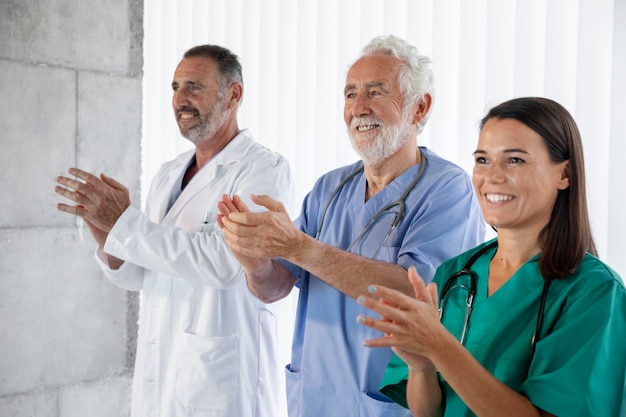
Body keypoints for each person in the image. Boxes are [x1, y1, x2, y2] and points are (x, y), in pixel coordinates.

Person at [216, 35, 486, 417]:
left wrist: (298, 247)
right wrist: (253, 262)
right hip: (314, 398)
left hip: (389, 402)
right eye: (349, 94)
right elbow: (274, 288)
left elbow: (422, 295)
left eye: (376, 92)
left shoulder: (447, 189)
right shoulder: (330, 187)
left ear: (419, 107)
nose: (358, 108)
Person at [54, 44, 294, 417]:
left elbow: (224, 263)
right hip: (162, 372)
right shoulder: (168, 173)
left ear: (234, 94)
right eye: (175, 87)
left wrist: (125, 224)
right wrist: (107, 233)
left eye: (194, 87)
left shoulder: (263, 169)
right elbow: (143, 274)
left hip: (221, 379)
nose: (180, 99)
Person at [356, 97, 626, 416]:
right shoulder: (455, 274)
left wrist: (440, 348)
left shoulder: (593, 292)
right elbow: (427, 410)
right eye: (483, 160)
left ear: (564, 174)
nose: (492, 176)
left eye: (514, 160)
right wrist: (422, 366)